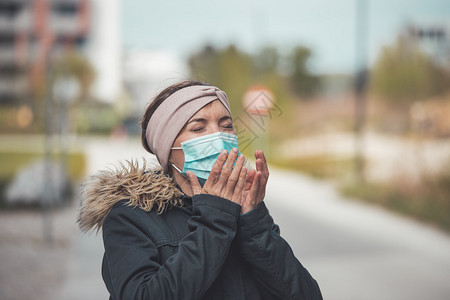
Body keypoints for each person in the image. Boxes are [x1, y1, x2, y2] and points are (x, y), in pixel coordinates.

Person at [78, 80, 322, 300]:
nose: (217, 136)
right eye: (198, 128)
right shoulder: (130, 217)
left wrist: (254, 221)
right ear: (168, 148)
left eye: (226, 126)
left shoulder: (244, 212)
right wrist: (215, 219)